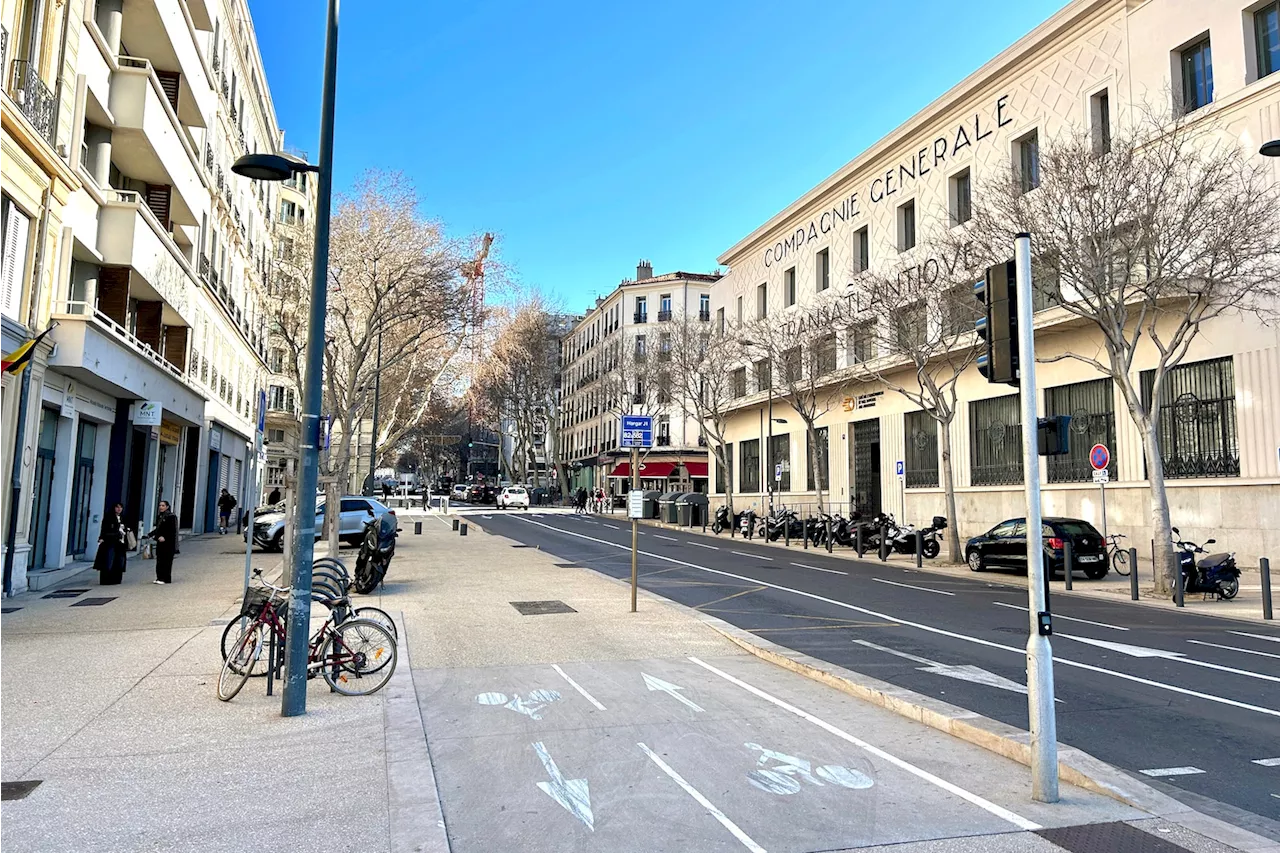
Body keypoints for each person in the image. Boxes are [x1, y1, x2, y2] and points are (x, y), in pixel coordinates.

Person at [93, 502, 128, 585]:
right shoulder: (109, 518)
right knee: (109, 560)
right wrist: (101, 538)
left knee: (119, 561)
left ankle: (116, 579)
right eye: (117, 507)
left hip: (120, 543)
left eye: (120, 507)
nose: (119, 509)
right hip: (110, 542)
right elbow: (104, 529)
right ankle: (106, 579)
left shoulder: (123, 518)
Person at [147, 500, 179, 585]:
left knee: (167, 561)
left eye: (163, 505)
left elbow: (172, 530)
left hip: (168, 542)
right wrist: (150, 535)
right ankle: (159, 577)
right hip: (160, 542)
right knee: (159, 560)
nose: (161, 507)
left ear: (167, 507)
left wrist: (164, 537)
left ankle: (166, 578)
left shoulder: (171, 517)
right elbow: (158, 529)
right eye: (160, 505)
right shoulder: (160, 517)